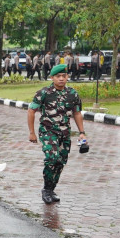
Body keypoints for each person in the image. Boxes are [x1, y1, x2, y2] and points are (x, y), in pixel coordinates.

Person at [27, 64, 87, 204]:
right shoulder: (44, 93)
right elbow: (31, 111)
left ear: (67, 77)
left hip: (65, 133)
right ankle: (46, 190)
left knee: (61, 161)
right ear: (52, 78)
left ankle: (51, 189)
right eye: (58, 76)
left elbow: (77, 113)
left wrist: (82, 133)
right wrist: (32, 133)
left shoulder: (72, 94)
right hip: (48, 131)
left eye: (63, 76)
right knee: (52, 158)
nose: (61, 79)